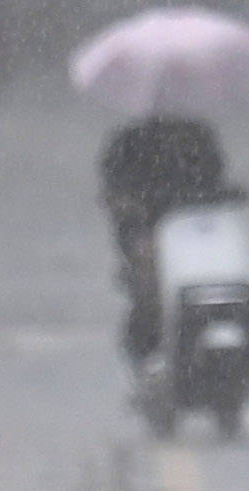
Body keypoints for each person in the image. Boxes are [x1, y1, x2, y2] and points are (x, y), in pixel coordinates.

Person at [98, 112, 230, 364]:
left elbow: (216, 180)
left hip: (193, 231)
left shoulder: (198, 138)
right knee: (150, 287)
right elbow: (114, 190)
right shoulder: (130, 142)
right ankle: (150, 349)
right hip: (149, 230)